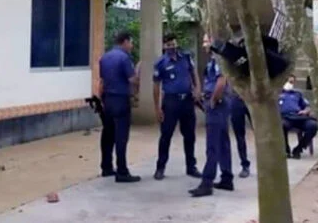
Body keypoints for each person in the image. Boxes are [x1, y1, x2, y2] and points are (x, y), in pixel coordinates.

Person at [153, 33, 202, 180]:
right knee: (166, 135)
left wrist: (197, 89)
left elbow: (194, 73)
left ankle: (191, 167)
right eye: (168, 45)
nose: (172, 47)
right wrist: (157, 108)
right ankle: (160, 168)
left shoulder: (186, 57)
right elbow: (156, 86)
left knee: (190, 135)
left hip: (187, 100)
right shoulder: (160, 63)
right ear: (164, 46)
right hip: (170, 102)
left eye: (173, 44)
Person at [189, 34, 233, 198]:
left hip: (217, 104)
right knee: (222, 142)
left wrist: (213, 100)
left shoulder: (218, 60)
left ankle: (207, 183)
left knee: (212, 145)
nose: (203, 45)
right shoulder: (216, 60)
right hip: (219, 102)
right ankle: (227, 178)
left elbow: (221, 82)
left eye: (206, 41)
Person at [99, 31, 141, 183]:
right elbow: (132, 79)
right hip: (121, 100)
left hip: (108, 100)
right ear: (125, 42)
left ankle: (106, 167)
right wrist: (138, 76)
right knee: (121, 137)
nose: (132, 46)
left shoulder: (104, 57)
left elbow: (102, 81)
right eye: (131, 42)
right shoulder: (124, 58)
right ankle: (122, 171)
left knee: (108, 134)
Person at [279, 74, 318, 159]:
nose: (289, 84)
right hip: (285, 118)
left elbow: (307, 107)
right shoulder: (277, 94)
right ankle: (286, 150)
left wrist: (305, 111)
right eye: (288, 81)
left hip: (299, 117)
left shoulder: (298, 94)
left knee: (313, 125)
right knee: (281, 126)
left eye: (292, 82)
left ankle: (299, 149)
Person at [230, 90, 251, 178]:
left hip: (254, 99)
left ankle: (267, 163)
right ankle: (245, 164)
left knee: (261, 133)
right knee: (239, 136)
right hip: (236, 99)